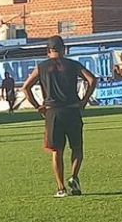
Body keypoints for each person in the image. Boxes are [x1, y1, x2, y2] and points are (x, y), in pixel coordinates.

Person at [21, 35, 98, 198]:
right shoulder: (73, 65)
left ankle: (61, 188)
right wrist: (84, 100)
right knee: (77, 148)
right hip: (72, 110)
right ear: (64, 49)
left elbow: (26, 88)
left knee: (57, 151)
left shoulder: (41, 67)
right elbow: (92, 80)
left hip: (52, 112)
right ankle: (74, 177)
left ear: (48, 51)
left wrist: (38, 107)